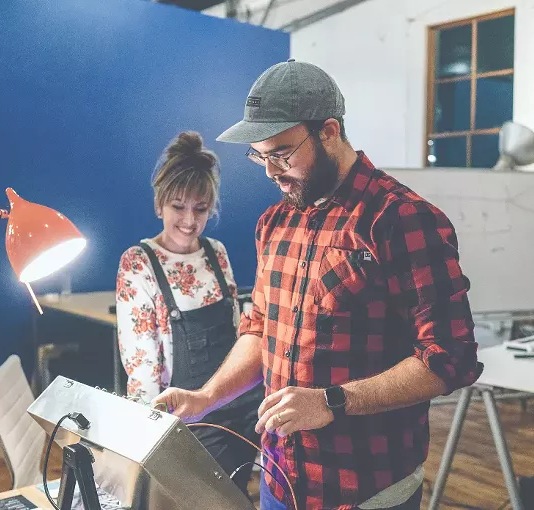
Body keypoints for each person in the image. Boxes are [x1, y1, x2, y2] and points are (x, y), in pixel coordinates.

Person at [153, 60, 484, 509]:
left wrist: (332, 402)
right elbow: (259, 328)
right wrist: (206, 397)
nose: (270, 171)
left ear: (329, 131)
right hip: (281, 480)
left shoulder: (402, 219)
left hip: (366, 489)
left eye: (282, 154)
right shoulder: (274, 223)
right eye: (260, 155)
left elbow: (451, 358)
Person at [115, 131, 265, 495]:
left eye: (200, 208)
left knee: (242, 494)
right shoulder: (139, 264)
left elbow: (237, 334)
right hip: (188, 418)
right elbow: (142, 368)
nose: (189, 220)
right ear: (159, 204)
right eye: (178, 206)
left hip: (240, 405)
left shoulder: (217, 252)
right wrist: (151, 440)